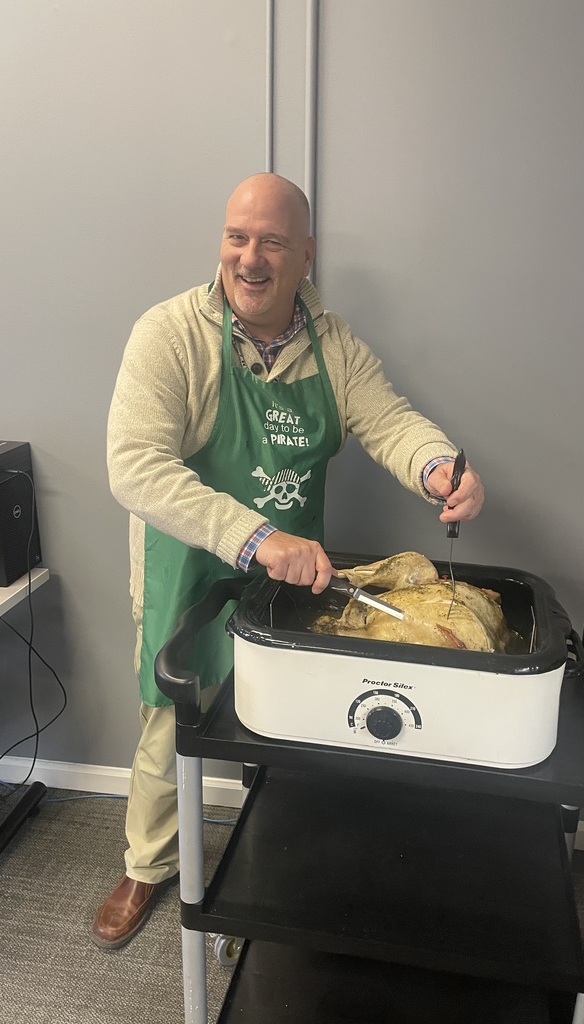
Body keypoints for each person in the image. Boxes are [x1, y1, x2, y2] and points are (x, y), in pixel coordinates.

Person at [93, 173, 484, 948]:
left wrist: (438, 466)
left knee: (281, 725)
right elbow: (134, 466)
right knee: (170, 718)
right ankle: (147, 863)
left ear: (306, 254)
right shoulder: (169, 333)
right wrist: (255, 537)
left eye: (273, 241)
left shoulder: (333, 346)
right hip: (188, 561)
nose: (251, 258)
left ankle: (263, 876)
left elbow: (389, 420)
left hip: (291, 575)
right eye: (238, 237)